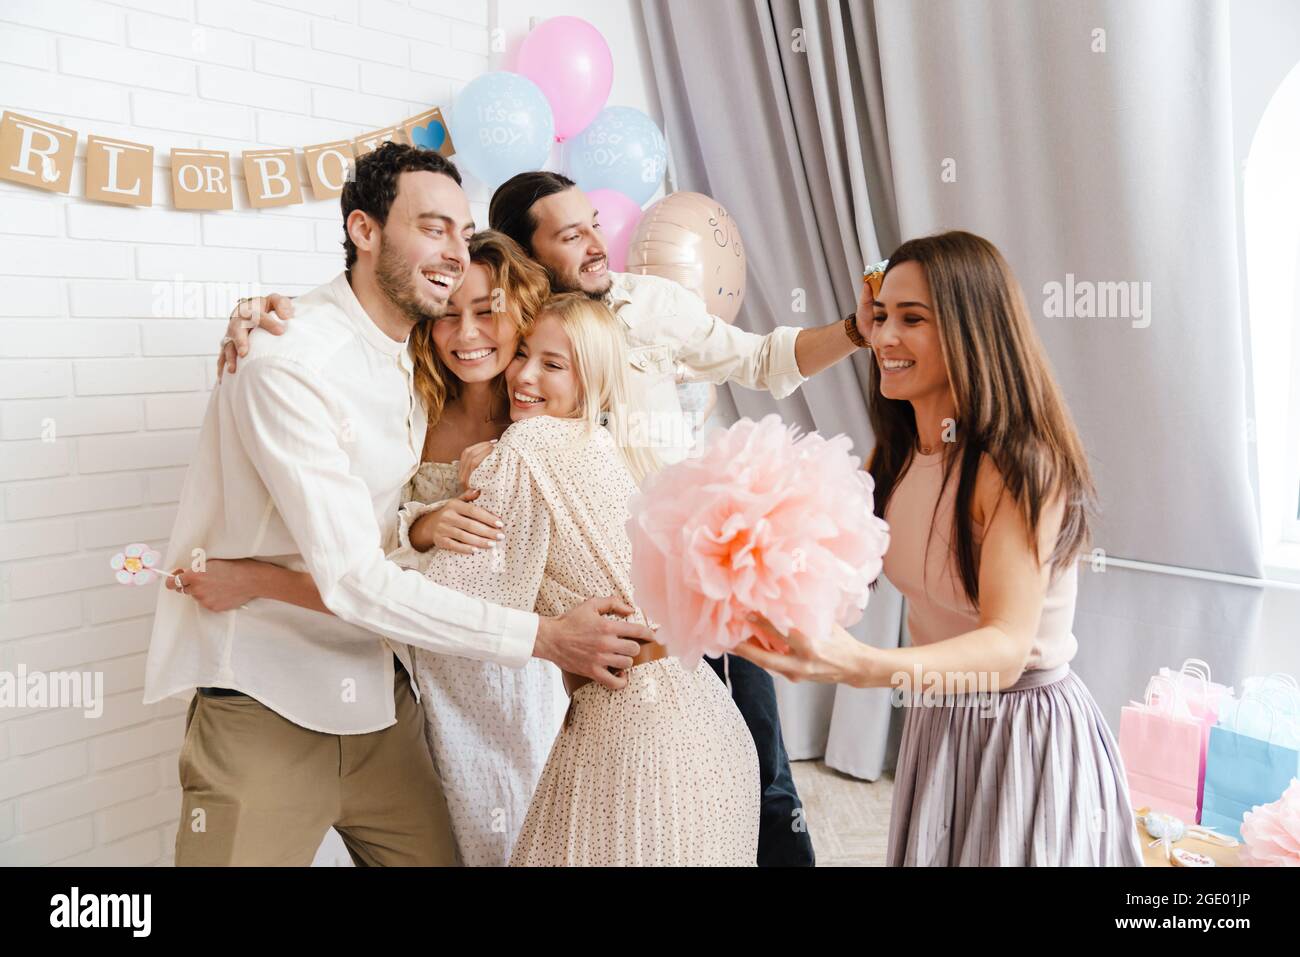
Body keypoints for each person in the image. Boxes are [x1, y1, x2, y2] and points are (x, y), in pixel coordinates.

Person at [219, 171, 878, 866]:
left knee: (744, 794)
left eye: (594, 222)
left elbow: (757, 357)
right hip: (480, 665)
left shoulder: (566, 380)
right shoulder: (421, 392)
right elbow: (377, 530)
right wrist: (274, 320)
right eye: (572, 233)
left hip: (605, 639)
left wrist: (259, 580)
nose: (598, 244)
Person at [146, 142, 652, 867]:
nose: (454, 248)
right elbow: (356, 576)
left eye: (461, 227)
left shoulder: (419, 358)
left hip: (387, 697)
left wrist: (415, 528)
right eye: (432, 225)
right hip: (267, 696)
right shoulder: (288, 362)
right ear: (365, 230)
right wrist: (543, 635)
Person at [190, 293, 761, 866]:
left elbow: (422, 609)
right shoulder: (606, 445)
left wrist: (257, 580)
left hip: (636, 735)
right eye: (526, 356)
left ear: (593, 381)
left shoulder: (529, 444)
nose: (525, 374)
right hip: (701, 722)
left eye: (553, 364)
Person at [734, 231, 1144, 866]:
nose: (884, 339)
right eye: (881, 317)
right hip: (941, 718)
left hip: (1019, 730)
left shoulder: (1018, 465)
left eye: (912, 319)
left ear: (971, 330)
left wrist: (863, 666)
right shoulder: (898, 455)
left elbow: (1006, 648)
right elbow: (828, 575)